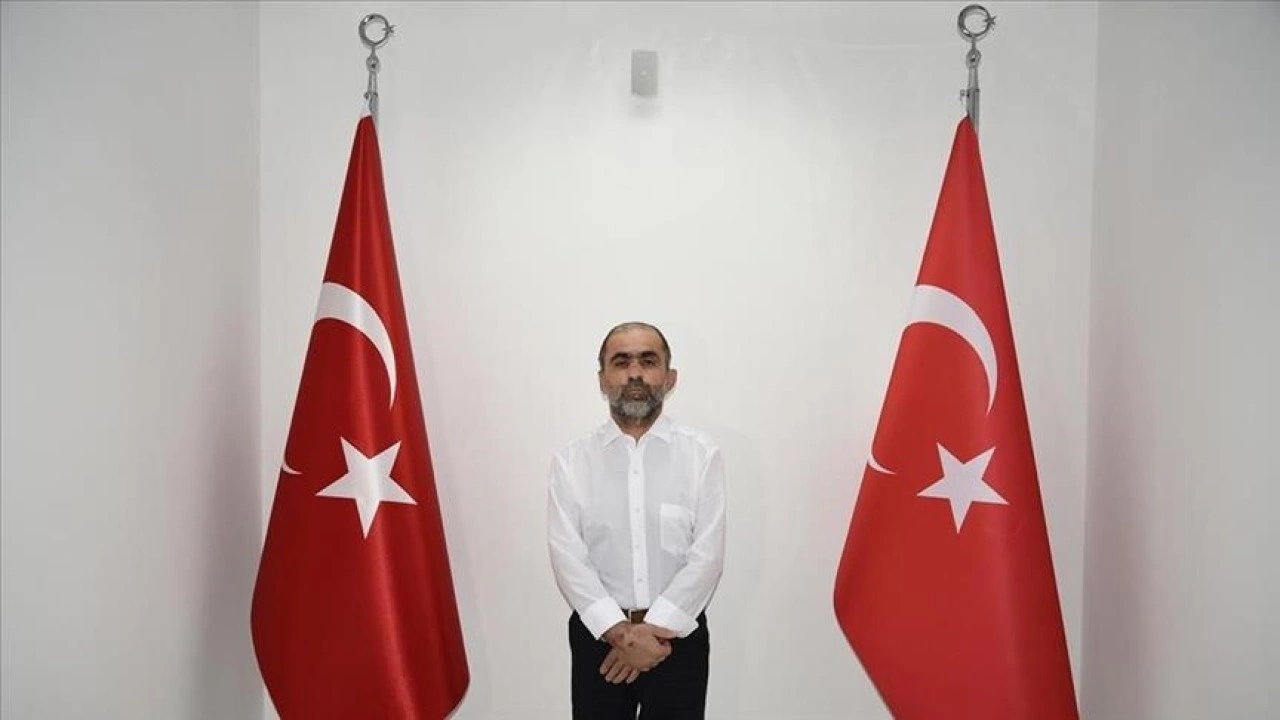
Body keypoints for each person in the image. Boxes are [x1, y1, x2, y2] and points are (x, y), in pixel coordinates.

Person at [547, 321, 727, 720]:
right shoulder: (572, 461)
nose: (634, 373)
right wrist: (617, 631)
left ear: (670, 376)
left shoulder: (701, 456)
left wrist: (654, 631)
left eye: (648, 361)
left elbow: (707, 557)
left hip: (679, 639)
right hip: (598, 639)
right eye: (621, 362)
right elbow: (567, 558)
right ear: (602, 379)